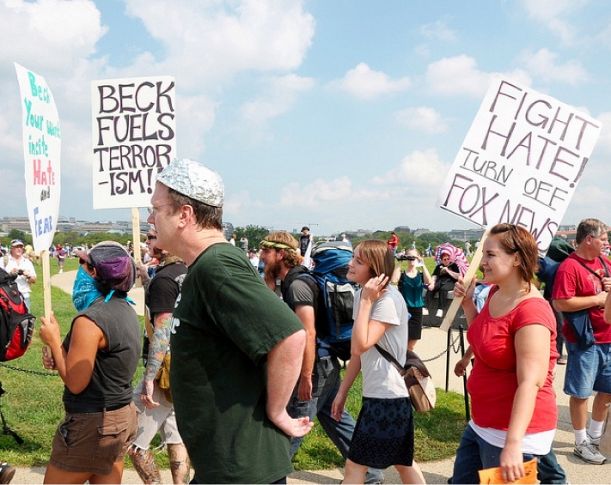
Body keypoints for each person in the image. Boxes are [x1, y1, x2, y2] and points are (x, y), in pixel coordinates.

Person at [147, 158, 311, 483]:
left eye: (156, 208)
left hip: (240, 467)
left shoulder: (216, 267)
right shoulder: (206, 265)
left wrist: (278, 410)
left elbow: (290, 335)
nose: (150, 218)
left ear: (184, 214)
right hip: (224, 463)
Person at [259, 232, 383, 484]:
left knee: (293, 427)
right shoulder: (296, 281)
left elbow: (308, 332)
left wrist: (305, 377)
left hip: (315, 368)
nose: (261, 257)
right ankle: (371, 474)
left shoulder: (298, 285)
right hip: (325, 364)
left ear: (280, 254)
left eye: (266, 252)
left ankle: (267, 478)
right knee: (336, 418)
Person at [449, 224, 559, 483]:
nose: (482, 262)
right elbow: (483, 334)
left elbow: (530, 382)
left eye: (490, 255)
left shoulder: (532, 312)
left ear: (517, 258)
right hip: (482, 424)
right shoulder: (495, 292)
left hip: (514, 434)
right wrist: (467, 302)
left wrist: (513, 444)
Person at [39, 241, 140, 484]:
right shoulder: (125, 308)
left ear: (95, 273)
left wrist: (53, 340)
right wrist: (61, 354)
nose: (80, 269)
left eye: (84, 263)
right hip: (121, 416)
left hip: (94, 423)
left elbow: (76, 383)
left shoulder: (90, 320)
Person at [331, 240, 425, 484]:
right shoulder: (366, 295)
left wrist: (365, 303)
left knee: (356, 464)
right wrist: (342, 392)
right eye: (353, 257)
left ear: (375, 270)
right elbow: (358, 355)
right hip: (379, 394)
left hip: (388, 396)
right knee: (403, 462)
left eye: (358, 261)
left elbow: (359, 345)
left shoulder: (387, 300)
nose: (350, 264)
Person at [129, 233, 190, 484]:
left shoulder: (163, 280)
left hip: (165, 372)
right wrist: (146, 278)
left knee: (134, 444)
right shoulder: (186, 272)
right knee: (176, 439)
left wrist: (149, 378)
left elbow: (162, 333)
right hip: (187, 368)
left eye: (153, 238)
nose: (147, 242)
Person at [552, 218, 611, 465]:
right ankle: (581, 441)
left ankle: (595, 437)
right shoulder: (569, 267)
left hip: (608, 338)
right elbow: (561, 302)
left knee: (607, 391)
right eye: (604, 239)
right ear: (589, 239)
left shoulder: (606, 263)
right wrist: (598, 298)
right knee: (581, 393)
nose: (607, 244)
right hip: (585, 341)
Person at [393, 249, 432, 351]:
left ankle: (407, 363)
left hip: (417, 310)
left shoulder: (420, 274)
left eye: (413, 257)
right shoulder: (402, 274)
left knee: (411, 345)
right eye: (409, 257)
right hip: (404, 310)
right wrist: (399, 262)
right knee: (402, 342)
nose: (411, 260)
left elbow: (429, 281)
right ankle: (402, 363)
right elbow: (394, 280)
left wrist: (422, 264)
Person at [3, 240, 36, 310]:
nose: (19, 249)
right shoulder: (3, 260)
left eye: (21, 247)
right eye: (16, 247)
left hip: (24, 296)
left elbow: (34, 280)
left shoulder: (27, 262)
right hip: (7, 296)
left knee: (25, 320)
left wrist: (28, 275)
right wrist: (9, 275)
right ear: (11, 248)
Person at [427, 250, 460, 318]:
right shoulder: (439, 266)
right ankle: (426, 307)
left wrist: (448, 270)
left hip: (451, 282)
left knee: (443, 289)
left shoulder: (454, 265)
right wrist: (432, 283)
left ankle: (440, 309)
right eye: (444, 259)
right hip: (440, 281)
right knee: (431, 288)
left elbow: (458, 276)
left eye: (448, 259)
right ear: (441, 260)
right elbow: (434, 275)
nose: (447, 260)